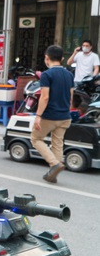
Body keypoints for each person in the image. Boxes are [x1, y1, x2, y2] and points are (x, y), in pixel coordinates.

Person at [32, 45, 74, 183]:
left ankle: (54, 164)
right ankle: (53, 173)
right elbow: (71, 96)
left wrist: (38, 116)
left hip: (50, 115)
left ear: (46, 58)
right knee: (57, 143)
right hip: (65, 116)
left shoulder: (46, 74)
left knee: (36, 139)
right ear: (62, 59)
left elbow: (44, 97)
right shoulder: (69, 74)